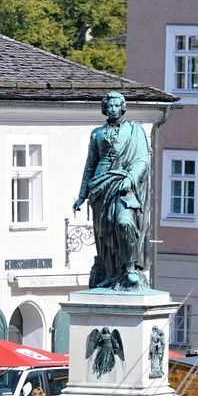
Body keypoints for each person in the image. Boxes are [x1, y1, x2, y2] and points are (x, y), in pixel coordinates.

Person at [73, 91, 151, 289]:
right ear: (104, 109)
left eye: (116, 105)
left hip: (124, 183)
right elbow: (90, 165)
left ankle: (130, 267)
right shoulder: (97, 134)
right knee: (105, 235)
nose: (113, 109)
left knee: (124, 222)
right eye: (109, 106)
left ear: (123, 108)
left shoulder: (135, 131)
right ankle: (110, 273)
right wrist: (82, 195)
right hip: (100, 186)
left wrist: (131, 178)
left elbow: (143, 160)